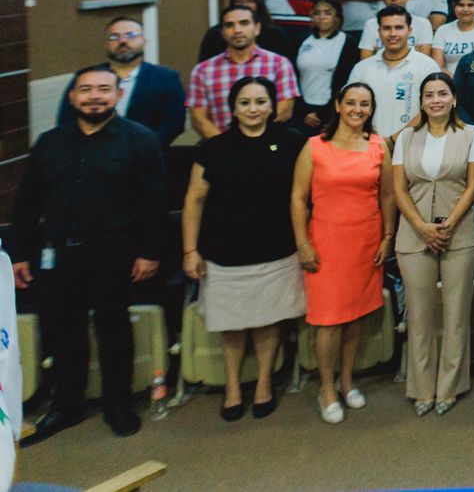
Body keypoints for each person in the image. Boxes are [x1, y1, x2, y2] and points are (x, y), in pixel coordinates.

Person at [13, 65, 166, 443]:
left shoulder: (139, 139)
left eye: (103, 89)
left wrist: (150, 252)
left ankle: (118, 405)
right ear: (72, 97)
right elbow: (28, 203)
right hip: (59, 253)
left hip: (114, 250)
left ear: (117, 95)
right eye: (85, 90)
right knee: (64, 331)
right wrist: (19, 254)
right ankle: (67, 406)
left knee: (114, 330)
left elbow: (155, 203)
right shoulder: (50, 142)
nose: (94, 96)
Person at [181, 76, 306, 420]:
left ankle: (264, 383)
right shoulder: (214, 147)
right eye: (245, 103)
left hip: (277, 249)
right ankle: (233, 387)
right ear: (233, 109)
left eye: (261, 102)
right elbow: (194, 200)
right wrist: (190, 250)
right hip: (225, 252)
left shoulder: (292, 141)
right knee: (231, 325)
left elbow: (305, 193)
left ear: (272, 106)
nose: (253, 109)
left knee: (269, 321)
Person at [290, 82, 395, 424]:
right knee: (329, 321)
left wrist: (388, 236)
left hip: (365, 242)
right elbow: (297, 199)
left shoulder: (378, 146)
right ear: (338, 105)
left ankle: (347, 381)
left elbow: (388, 196)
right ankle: (326, 389)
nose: (357, 110)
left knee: (356, 317)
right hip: (325, 244)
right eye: (351, 102)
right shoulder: (314, 147)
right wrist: (303, 244)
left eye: (365, 104)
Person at [391, 73, 474, 417]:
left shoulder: (471, 134)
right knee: (419, 314)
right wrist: (421, 226)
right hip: (414, 233)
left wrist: (448, 224)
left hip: (460, 232)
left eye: (442, 94)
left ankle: (450, 386)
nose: (436, 100)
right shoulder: (406, 138)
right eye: (429, 95)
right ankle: (421, 388)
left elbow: (473, 186)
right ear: (421, 101)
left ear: (454, 98)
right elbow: (398, 188)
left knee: (456, 313)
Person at [56, 16, 186, 205]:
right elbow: (66, 120)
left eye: (130, 35)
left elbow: (173, 123)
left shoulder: (166, 78)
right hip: (92, 164)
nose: (122, 41)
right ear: (106, 45)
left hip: (146, 165)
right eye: (114, 37)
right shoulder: (87, 78)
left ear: (144, 41)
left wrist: (143, 151)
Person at [188, 4, 301, 139]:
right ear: (222, 32)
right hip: (220, 148)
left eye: (244, 23)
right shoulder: (202, 71)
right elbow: (199, 118)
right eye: (229, 25)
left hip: (268, 145)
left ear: (257, 28)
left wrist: (254, 142)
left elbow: (284, 111)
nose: (237, 30)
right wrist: (223, 145)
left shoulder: (279, 64)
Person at [347, 7, 442, 140]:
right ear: (379, 32)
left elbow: (434, 108)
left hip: (415, 144)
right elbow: (348, 106)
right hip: (369, 144)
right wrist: (371, 137)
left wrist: (394, 140)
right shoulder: (361, 68)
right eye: (387, 28)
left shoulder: (427, 66)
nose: (393, 33)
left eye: (399, 28)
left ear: (409, 31)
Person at [294, 0, 363, 136]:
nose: (321, 17)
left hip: (331, 112)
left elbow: (347, 82)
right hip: (302, 111)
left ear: (337, 17)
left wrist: (326, 114)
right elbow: (293, 78)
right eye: (317, 13)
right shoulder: (300, 41)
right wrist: (304, 112)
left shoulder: (348, 42)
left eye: (327, 13)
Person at [433, 0, 474, 75]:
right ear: (454, 5)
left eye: (470, 5)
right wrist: (456, 80)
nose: (465, 9)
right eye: (461, 5)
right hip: (450, 81)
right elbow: (438, 67)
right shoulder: (443, 30)